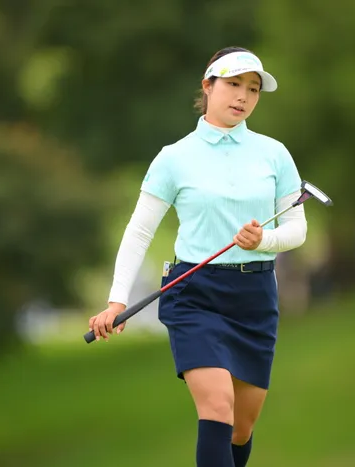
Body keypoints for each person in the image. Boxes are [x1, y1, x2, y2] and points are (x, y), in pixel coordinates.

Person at [87, 46, 308, 467]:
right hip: (195, 294)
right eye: (233, 84)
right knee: (218, 407)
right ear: (208, 86)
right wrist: (117, 300)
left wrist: (263, 240)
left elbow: (297, 229)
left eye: (253, 88)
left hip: (255, 296)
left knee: (241, 428)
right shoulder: (174, 157)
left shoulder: (274, 153)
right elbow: (139, 232)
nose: (243, 96)